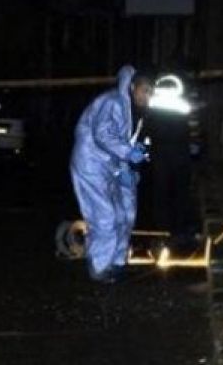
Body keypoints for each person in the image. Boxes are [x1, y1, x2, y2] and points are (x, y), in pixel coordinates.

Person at [70, 65, 153, 283]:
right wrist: (128, 153)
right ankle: (100, 266)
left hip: (110, 166)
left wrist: (128, 167)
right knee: (105, 216)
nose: (147, 97)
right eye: (145, 90)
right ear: (133, 87)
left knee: (124, 213)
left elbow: (122, 142)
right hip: (91, 164)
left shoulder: (133, 111)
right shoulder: (113, 102)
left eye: (151, 92)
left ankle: (116, 263)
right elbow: (103, 135)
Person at [145, 73, 197, 253]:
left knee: (161, 196)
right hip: (178, 154)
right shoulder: (183, 105)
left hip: (161, 154)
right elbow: (190, 129)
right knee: (179, 195)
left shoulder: (152, 104)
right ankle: (179, 234)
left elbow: (148, 129)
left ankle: (163, 233)